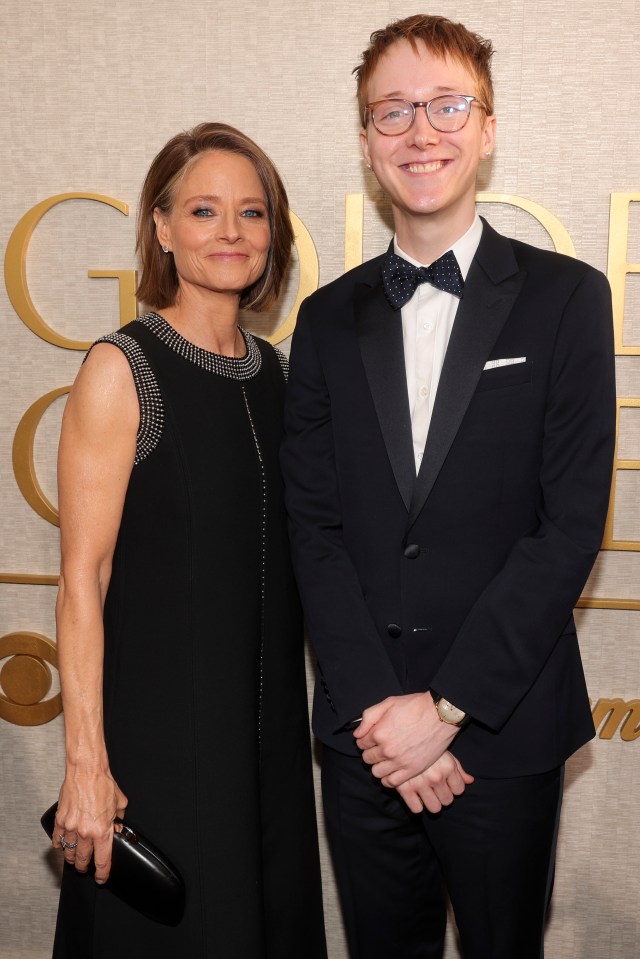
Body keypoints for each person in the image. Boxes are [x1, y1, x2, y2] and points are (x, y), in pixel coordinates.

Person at [281, 14, 615, 959]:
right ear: (364, 140)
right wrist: (385, 716)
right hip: (365, 738)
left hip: (503, 733)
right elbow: (314, 530)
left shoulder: (568, 298)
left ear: (488, 125)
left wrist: (449, 709)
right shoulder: (325, 319)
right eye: (392, 111)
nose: (419, 131)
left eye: (445, 104)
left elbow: (568, 526)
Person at [51, 122, 327, 959]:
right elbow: (80, 581)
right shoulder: (123, 367)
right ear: (162, 228)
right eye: (205, 210)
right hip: (158, 751)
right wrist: (86, 765)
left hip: (268, 755)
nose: (232, 233)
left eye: (253, 212)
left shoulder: (278, 373)